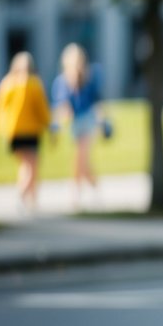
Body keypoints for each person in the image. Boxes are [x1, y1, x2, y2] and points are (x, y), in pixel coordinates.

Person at [0, 51, 53, 215]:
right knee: (32, 166)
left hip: (13, 131)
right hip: (30, 131)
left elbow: (1, 110)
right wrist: (49, 126)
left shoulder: (7, 84)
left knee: (25, 166)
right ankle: (23, 196)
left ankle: (32, 200)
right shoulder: (34, 84)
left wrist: (3, 130)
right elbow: (42, 110)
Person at [51, 43, 108, 209]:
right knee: (83, 162)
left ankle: (75, 193)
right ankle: (95, 189)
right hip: (74, 123)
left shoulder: (90, 78)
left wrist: (103, 122)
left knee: (80, 158)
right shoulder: (62, 82)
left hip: (88, 120)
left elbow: (97, 102)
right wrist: (58, 125)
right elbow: (62, 106)